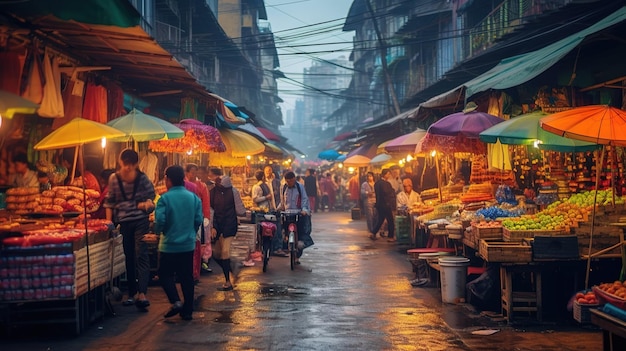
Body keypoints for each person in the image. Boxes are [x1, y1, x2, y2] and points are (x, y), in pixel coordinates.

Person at [104, 149, 155, 310]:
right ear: (120, 163)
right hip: (124, 222)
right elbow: (109, 202)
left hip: (141, 221)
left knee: (141, 254)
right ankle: (132, 293)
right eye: (125, 164)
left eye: (130, 165)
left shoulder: (143, 178)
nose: (127, 168)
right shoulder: (114, 179)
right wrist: (108, 224)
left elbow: (151, 195)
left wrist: (146, 203)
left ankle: (142, 293)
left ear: (135, 164)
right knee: (129, 256)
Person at [154, 165, 203, 321]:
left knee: (164, 274)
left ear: (168, 180)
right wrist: (191, 232)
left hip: (169, 245)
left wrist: (158, 231)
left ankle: (176, 301)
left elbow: (160, 220)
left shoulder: (165, 199)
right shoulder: (193, 198)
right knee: (186, 277)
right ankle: (187, 311)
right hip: (187, 245)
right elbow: (198, 220)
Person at [208, 167, 246, 291]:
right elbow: (211, 210)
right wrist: (213, 227)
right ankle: (231, 266)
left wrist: (241, 212)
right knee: (216, 254)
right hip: (218, 226)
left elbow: (239, 209)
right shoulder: (215, 191)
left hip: (229, 225)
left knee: (224, 252)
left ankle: (228, 282)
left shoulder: (229, 191)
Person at [277, 171, 314, 264]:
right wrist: (278, 209)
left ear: (294, 179)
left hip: (298, 213)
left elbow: (304, 199)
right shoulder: (283, 187)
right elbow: (282, 201)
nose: (289, 183)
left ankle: (298, 255)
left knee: (301, 233)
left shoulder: (300, 187)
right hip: (287, 213)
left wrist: (305, 210)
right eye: (287, 181)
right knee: (283, 231)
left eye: (291, 181)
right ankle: (285, 244)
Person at [185, 163, 212, 277]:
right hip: (185, 218)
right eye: (192, 172)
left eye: (196, 172)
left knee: (198, 243)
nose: (194, 174)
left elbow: (205, 202)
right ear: (187, 172)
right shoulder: (183, 184)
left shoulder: (202, 186)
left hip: (197, 218)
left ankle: (198, 266)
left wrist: (206, 217)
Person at [371, 168, 396, 242]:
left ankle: (373, 232)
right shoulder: (385, 184)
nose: (389, 176)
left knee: (380, 219)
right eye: (388, 174)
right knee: (390, 220)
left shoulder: (377, 183)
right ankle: (390, 236)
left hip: (379, 204)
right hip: (386, 205)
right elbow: (387, 193)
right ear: (385, 174)